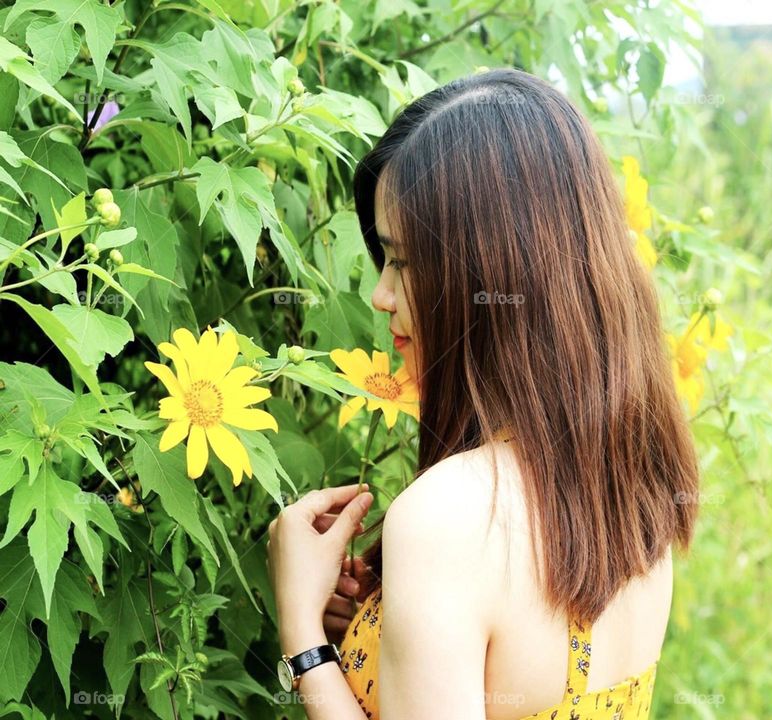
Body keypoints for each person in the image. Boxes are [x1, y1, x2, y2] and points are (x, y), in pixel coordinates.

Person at [266, 67, 700, 720]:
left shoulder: (450, 520)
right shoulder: (635, 474)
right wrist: (381, 628)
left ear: (489, 277)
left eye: (404, 261)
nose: (382, 295)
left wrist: (303, 637)